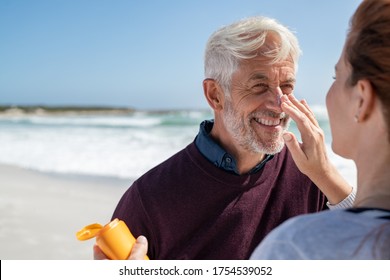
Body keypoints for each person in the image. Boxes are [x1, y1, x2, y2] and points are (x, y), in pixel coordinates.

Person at [94, 16, 355, 260]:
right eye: (259, 86)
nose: (278, 104)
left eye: (287, 86)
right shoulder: (149, 200)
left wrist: (326, 175)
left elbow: (373, 250)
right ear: (215, 95)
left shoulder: (312, 177)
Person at [250, 0, 390, 259]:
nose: (280, 101)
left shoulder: (296, 248)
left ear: (362, 99)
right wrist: (325, 175)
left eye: (336, 78)